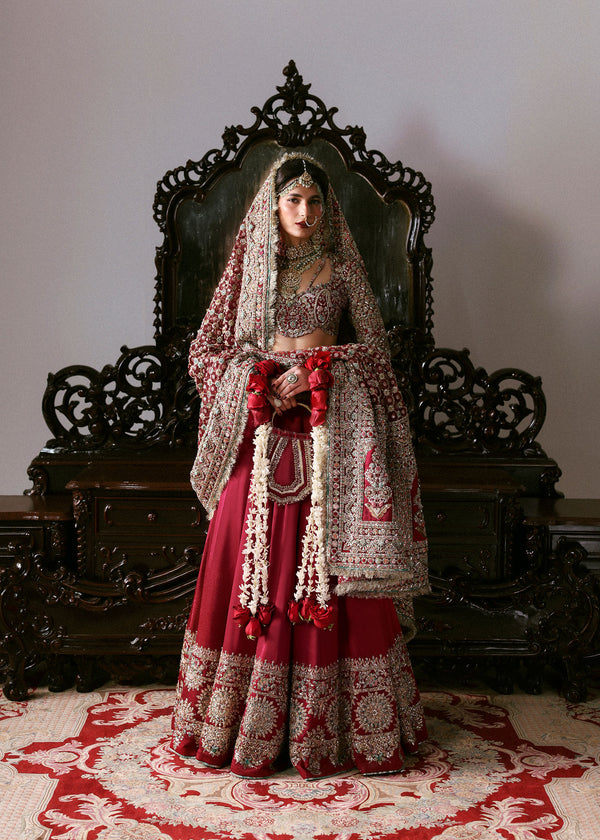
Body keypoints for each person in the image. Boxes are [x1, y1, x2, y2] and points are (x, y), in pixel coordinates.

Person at [171, 153, 429, 780]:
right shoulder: (248, 269)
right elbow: (205, 352)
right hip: (260, 431)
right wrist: (258, 378)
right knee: (246, 566)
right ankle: (237, 723)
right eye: (294, 201)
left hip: (327, 430)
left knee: (330, 572)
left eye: (314, 201)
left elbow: (375, 352)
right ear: (274, 204)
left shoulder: (341, 269)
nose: (305, 212)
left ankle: (338, 728)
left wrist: (319, 371)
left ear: (327, 207)